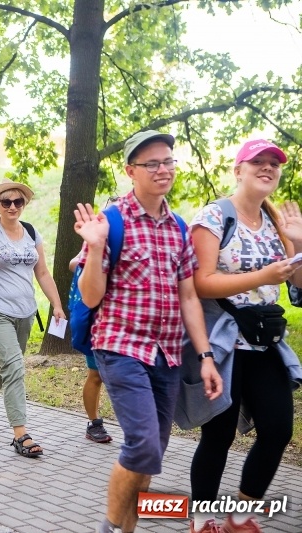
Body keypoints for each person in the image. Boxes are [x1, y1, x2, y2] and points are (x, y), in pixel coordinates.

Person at [73, 130, 222, 533]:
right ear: (130, 171)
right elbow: (90, 298)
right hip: (121, 347)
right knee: (142, 445)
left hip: (168, 354)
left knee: (152, 454)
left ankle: (128, 528)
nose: (163, 169)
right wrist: (97, 248)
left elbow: (189, 297)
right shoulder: (111, 222)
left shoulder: (177, 226)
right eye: (151, 163)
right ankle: (108, 528)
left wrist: (206, 356)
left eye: (168, 161)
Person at [181, 140, 302, 533]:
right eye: (258, 163)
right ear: (239, 170)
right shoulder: (215, 215)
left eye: (273, 164)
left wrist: (298, 244)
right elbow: (200, 282)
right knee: (217, 436)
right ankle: (201, 519)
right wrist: (263, 276)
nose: (267, 168)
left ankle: (240, 513)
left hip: (264, 342)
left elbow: (297, 286)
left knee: (279, 429)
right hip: (223, 343)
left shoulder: (274, 222)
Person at [0, 179, 65, 458]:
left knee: (2, 367)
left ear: (24, 205)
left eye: (17, 202)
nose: (12, 206)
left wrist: (56, 304)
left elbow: (42, 272)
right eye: (5, 202)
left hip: (24, 312)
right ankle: (21, 434)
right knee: (14, 366)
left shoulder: (32, 232)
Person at [69, 254, 113, 443]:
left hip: (127, 320)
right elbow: (73, 263)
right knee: (96, 375)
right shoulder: (105, 237)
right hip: (99, 320)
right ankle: (94, 423)